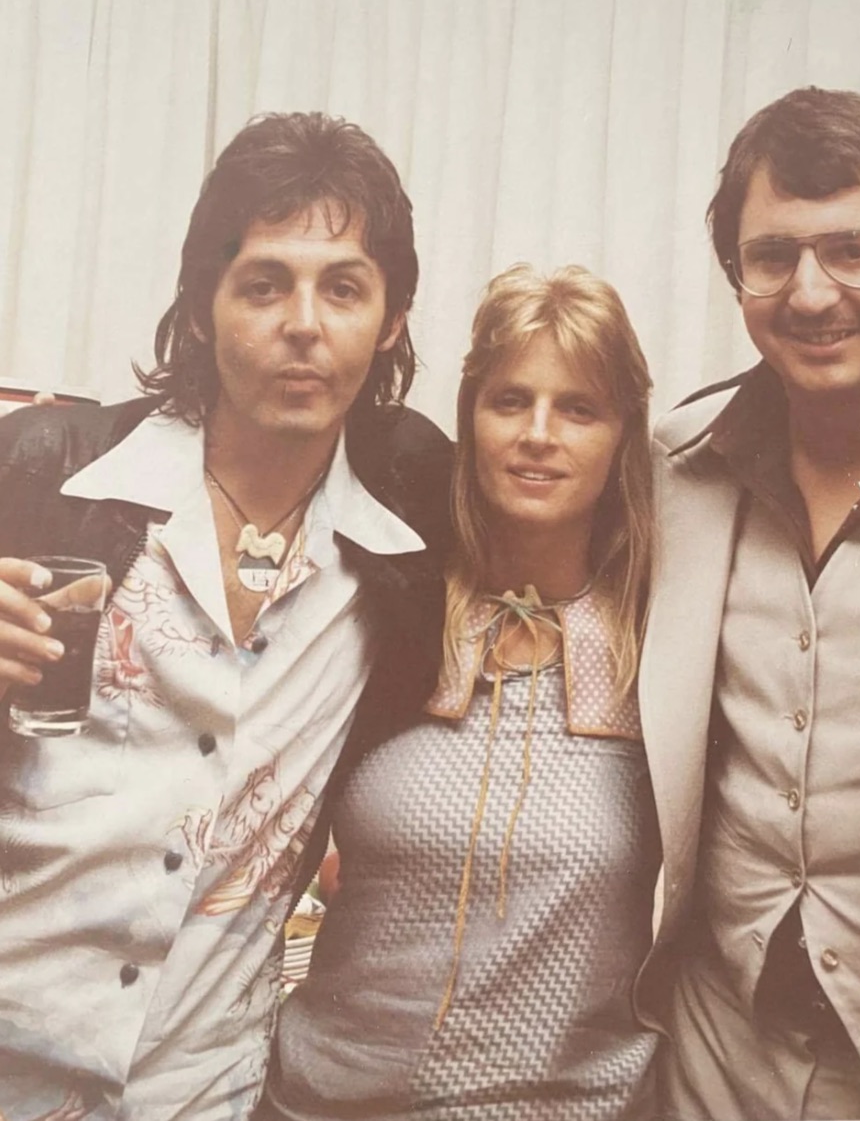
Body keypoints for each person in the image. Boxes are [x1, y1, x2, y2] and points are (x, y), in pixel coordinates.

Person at [0, 112, 452, 1120]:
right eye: (264, 282)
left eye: (342, 286)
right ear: (202, 305)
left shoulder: (405, 535)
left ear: (389, 321)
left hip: (198, 1087)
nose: (303, 321)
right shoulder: (42, 470)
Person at [635, 87, 860, 1120]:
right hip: (706, 1051)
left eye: (851, 251)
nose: (809, 290)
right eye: (772, 255)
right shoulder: (673, 467)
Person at [260, 263, 661, 1120]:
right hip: (314, 1099)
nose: (538, 434)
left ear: (624, 435)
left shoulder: (666, 648)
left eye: (579, 408)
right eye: (510, 401)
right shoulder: (387, 611)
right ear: (471, 418)